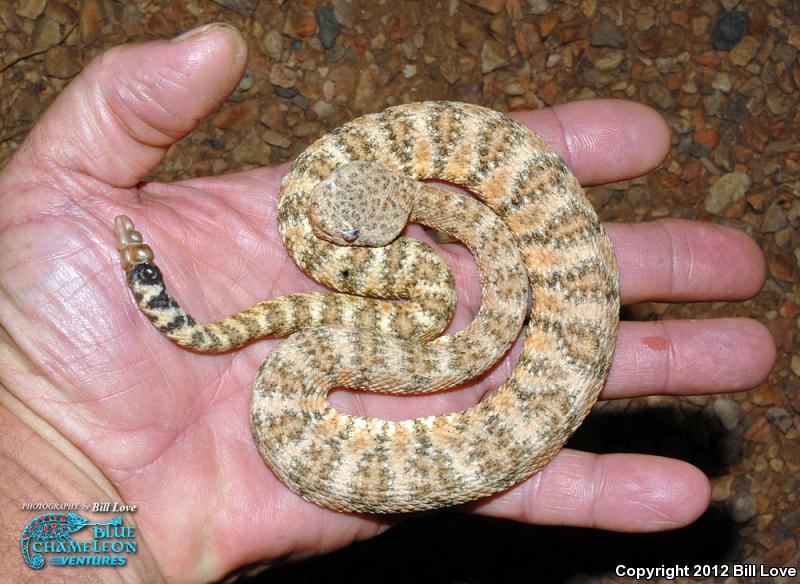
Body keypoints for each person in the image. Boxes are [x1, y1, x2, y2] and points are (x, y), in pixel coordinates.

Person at [0, 24, 775, 582]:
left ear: (403, 217)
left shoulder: (435, 268)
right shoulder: (385, 242)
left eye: (345, 225)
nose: (318, 225)